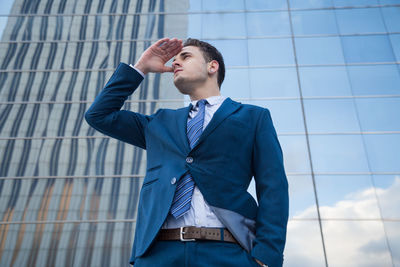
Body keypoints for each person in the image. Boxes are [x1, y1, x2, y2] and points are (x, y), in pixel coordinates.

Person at [85, 37, 289, 267]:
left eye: (186, 56)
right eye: (174, 60)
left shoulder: (253, 117)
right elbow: (98, 116)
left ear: (212, 66)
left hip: (228, 251)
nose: (175, 63)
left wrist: (267, 255)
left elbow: (273, 186)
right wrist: (140, 67)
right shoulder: (159, 122)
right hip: (158, 254)